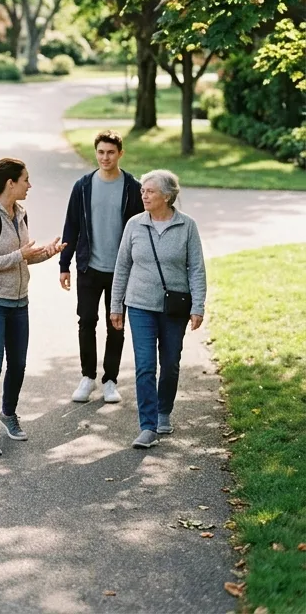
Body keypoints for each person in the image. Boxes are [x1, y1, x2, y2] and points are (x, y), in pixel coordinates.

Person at [0, 158, 64, 456]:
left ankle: (8, 414)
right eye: (25, 180)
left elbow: (23, 256)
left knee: (19, 365)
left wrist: (45, 253)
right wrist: (19, 255)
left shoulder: (20, 213)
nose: (29, 185)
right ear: (10, 183)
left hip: (19, 301)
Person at [109, 170, 207, 450]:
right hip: (139, 305)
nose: (144, 195)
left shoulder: (187, 226)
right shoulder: (134, 224)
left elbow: (197, 269)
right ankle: (148, 426)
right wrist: (117, 305)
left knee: (171, 364)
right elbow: (123, 267)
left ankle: (164, 410)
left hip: (174, 307)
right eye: (143, 191)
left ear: (167, 195)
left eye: (150, 191)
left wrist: (198, 305)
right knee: (145, 366)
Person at [59, 130, 143, 405]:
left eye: (110, 152)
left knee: (115, 324)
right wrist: (64, 264)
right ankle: (87, 377)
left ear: (120, 153)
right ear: (95, 153)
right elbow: (71, 225)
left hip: (121, 270)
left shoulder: (133, 187)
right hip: (88, 266)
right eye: (100, 152)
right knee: (86, 321)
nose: (105, 157)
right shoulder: (83, 186)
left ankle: (110, 380)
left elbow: (142, 231)